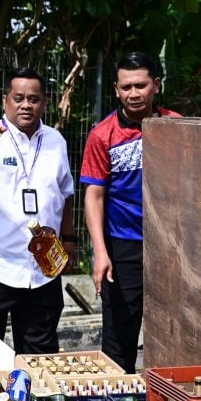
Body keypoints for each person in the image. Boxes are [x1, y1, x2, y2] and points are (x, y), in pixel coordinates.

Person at [0, 67, 77, 354]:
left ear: (43, 102)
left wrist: (69, 240)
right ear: (5, 101)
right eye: (18, 98)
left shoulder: (56, 140)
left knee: (40, 351)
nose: (26, 105)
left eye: (33, 99)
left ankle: (34, 400)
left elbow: (66, 193)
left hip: (41, 268)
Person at [80, 52, 181, 373]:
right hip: (123, 247)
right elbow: (93, 196)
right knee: (119, 337)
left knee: (176, 330)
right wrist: (99, 252)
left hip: (172, 248)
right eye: (126, 87)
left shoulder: (179, 128)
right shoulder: (102, 135)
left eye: (141, 85)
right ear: (116, 89)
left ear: (156, 85)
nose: (134, 93)